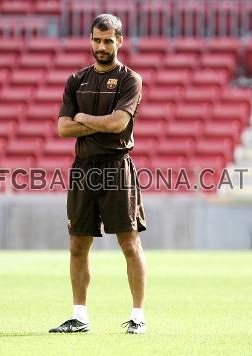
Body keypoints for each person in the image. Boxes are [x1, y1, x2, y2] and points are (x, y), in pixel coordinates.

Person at [49, 14, 147, 334]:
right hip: (83, 171)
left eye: (108, 40)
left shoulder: (130, 79)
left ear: (120, 40)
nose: (101, 46)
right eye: (96, 39)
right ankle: (79, 317)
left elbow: (119, 124)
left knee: (129, 244)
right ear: (90, 40)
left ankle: (138, 317)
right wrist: (97, 120)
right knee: (78, 244)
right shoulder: (76, 80)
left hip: (117, 167)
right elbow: (63, 128)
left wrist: (82, 118)